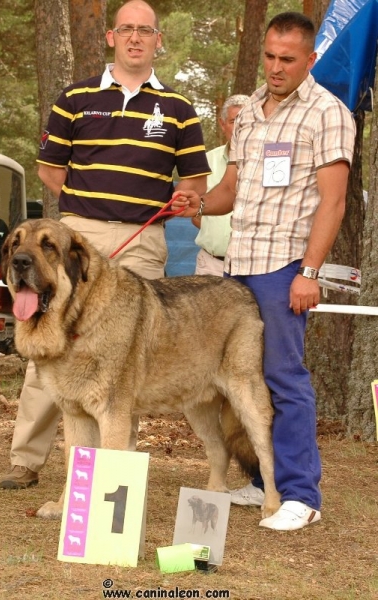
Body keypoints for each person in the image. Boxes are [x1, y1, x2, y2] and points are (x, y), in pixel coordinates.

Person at [0, 0, 210, 489]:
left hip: (142, 243)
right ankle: (26, 459)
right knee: (45, 341)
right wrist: (79, 219)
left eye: (146, 30)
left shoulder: (178, 109)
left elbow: (195, 181)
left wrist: (187, 198)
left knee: (123, 361)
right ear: (111, 37)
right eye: (126, 29)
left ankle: (111, 484)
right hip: (74, 242)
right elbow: (51, 170)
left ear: (159, 40)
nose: (136, 38)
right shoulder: (74, 96)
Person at [172, 12, 355, 531]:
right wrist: (198, 205)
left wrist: (310, 271)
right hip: (236, 269)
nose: (275, 68)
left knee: (284, 377)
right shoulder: (249, 109)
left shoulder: (328, 113)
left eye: (287, 59)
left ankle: (302, 495)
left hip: (284, 268)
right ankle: (261, 481)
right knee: (243, 384)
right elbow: (232, 188)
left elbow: (334, 202)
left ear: (310, 60)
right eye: (270, 56)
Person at [192, 94, 249, 277]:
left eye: (246, 121)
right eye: (234, 121)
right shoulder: (206, 162)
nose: (241, 128)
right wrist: (217, 232)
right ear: (222, 124)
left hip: (254, 269)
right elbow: (195, 213)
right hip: (211, 265)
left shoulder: (272, 162)